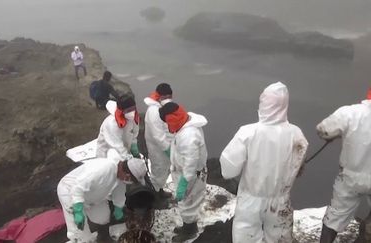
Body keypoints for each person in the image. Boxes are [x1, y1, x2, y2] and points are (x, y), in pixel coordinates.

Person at [219, 82, 308, 243]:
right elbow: (298, 165)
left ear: (264, 104)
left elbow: (228, 170)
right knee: (280, 237)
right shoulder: (296, 134)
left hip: (251, 200)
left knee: (246, 236)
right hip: (281, 200)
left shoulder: (248, 132)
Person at [316, 88, 371, 243]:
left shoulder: (350, 113)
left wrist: (334, 135)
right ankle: (366, 233)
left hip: (350, 178)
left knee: (335, 216)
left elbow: (323, 130)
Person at [57, 157, 148, 243]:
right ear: (127, 174)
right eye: (131, 179)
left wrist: (118, 207)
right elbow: (78, 188)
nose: (130, 182)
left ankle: (102, 237)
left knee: (103, 217)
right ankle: (81, 239)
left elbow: (119, 192)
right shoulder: (103, 169)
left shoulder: (120, 176)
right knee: (80, 230)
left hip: (91, 195)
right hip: (70, 191)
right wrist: (77, 210)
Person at [159, 102, 208, 242]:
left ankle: (190, 230)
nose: (168, 127)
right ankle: (188, 225)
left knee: (188, 202)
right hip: (187, 171)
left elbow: (191, 162)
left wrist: (184, 181)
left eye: (167, 122)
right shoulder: (185, 123)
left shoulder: (188, 136)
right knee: (187, 201)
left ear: (172, 119)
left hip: (191, 175)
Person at [144, 83, 174, 200]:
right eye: (165, 97)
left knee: (165, 171)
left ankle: (159, 190)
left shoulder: (164, 108)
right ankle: (155, 196)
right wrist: (168, 149)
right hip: (157, 149)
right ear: (158, 96)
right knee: (158, 171)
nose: (167, 100)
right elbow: (158, 135)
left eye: (169, 97)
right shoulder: (154, 111)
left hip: (166, 146)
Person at [96, 95, 140, 161]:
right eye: (128, 110)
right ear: (121, 111)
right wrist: (130, 159)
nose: (132, 112)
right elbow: (117, 146)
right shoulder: (111, 124)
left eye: (133, 109)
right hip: (109, 153)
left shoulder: (133, 117)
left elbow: (134, 133)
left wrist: (134, 150)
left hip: (124, 150)